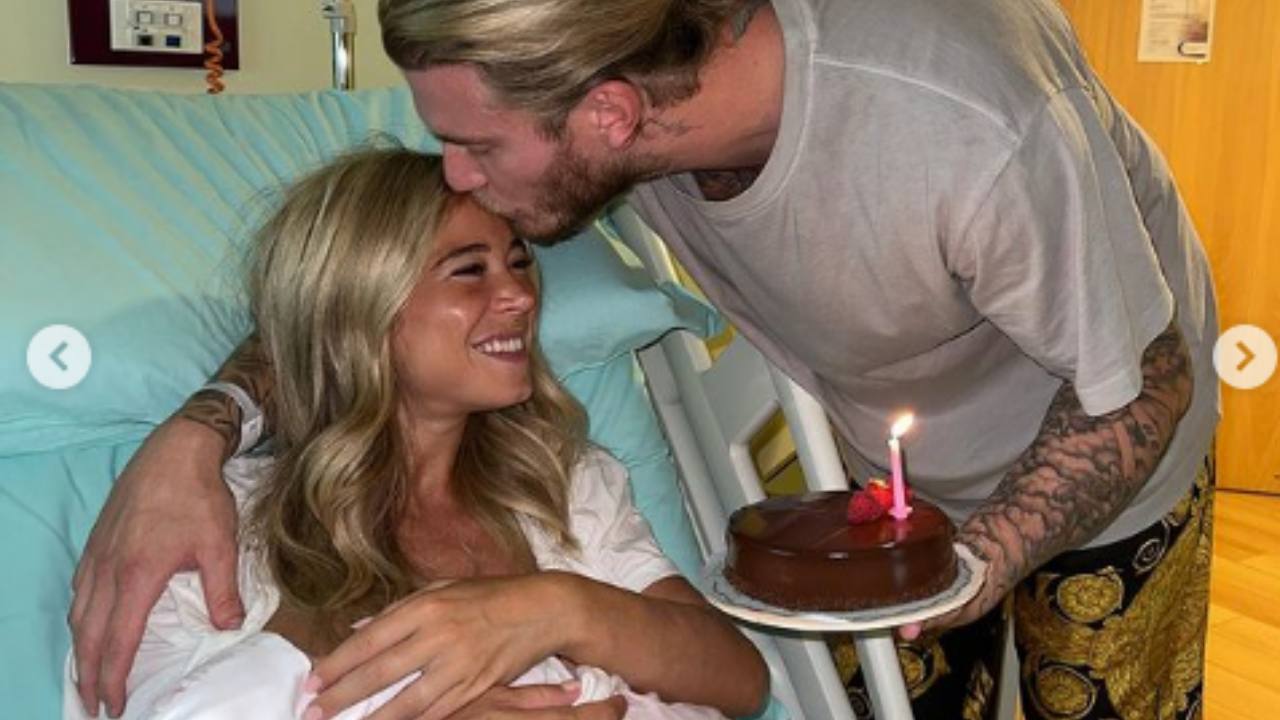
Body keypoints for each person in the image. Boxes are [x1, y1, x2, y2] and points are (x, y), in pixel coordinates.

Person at [73, 0, 1219, 718]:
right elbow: (351, 299)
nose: (460, 176)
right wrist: (200, 427)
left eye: (474, 148)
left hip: (1105, 441)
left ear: (611, 114)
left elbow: (1140, 386)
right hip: (888, 472)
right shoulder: (610, 115)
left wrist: (960, 571)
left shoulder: (974, 130)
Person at [64, 148, 766, 720]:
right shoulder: (221, 529)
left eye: (519, 260)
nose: (520, 295)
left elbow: (739, 679)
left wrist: (557, 609)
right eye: (469, 271)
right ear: (362, 308)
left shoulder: (559, 484)